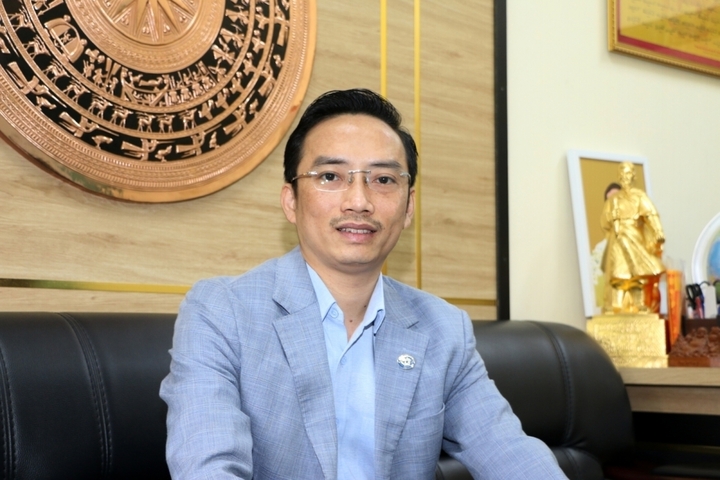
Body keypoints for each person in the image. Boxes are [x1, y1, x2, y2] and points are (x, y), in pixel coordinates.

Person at [160, 89, 567, 479]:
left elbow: (508, 452)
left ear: (408, 207)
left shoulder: (443, 330)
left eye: (383, 180)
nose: (358, 201)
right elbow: (208, 466)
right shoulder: (221, 313)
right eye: (330, 176)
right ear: (291, 201)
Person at [600, 161, 665, 314]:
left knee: (637, 273)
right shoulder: (613, 200)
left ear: (633, 176)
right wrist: (611, 217)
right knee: (618, 274)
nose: (625, 177)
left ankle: (639, 303)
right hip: (618, 239)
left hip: (634, 237)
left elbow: (650, 214)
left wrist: (658, 231)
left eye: (628, 173)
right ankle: (615, 305)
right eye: (622, 174)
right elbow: (604, 222)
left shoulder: (639, 197)